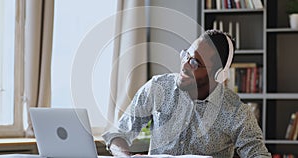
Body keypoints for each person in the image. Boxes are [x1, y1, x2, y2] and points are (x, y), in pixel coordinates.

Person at [102, 29, 271, 157]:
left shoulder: (236, 111)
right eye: (186, 55)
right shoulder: (158, 88)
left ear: (218, 74)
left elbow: (258, 155)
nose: (184, 65)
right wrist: (126, 156)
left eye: (195, 63)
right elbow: (118, 134)